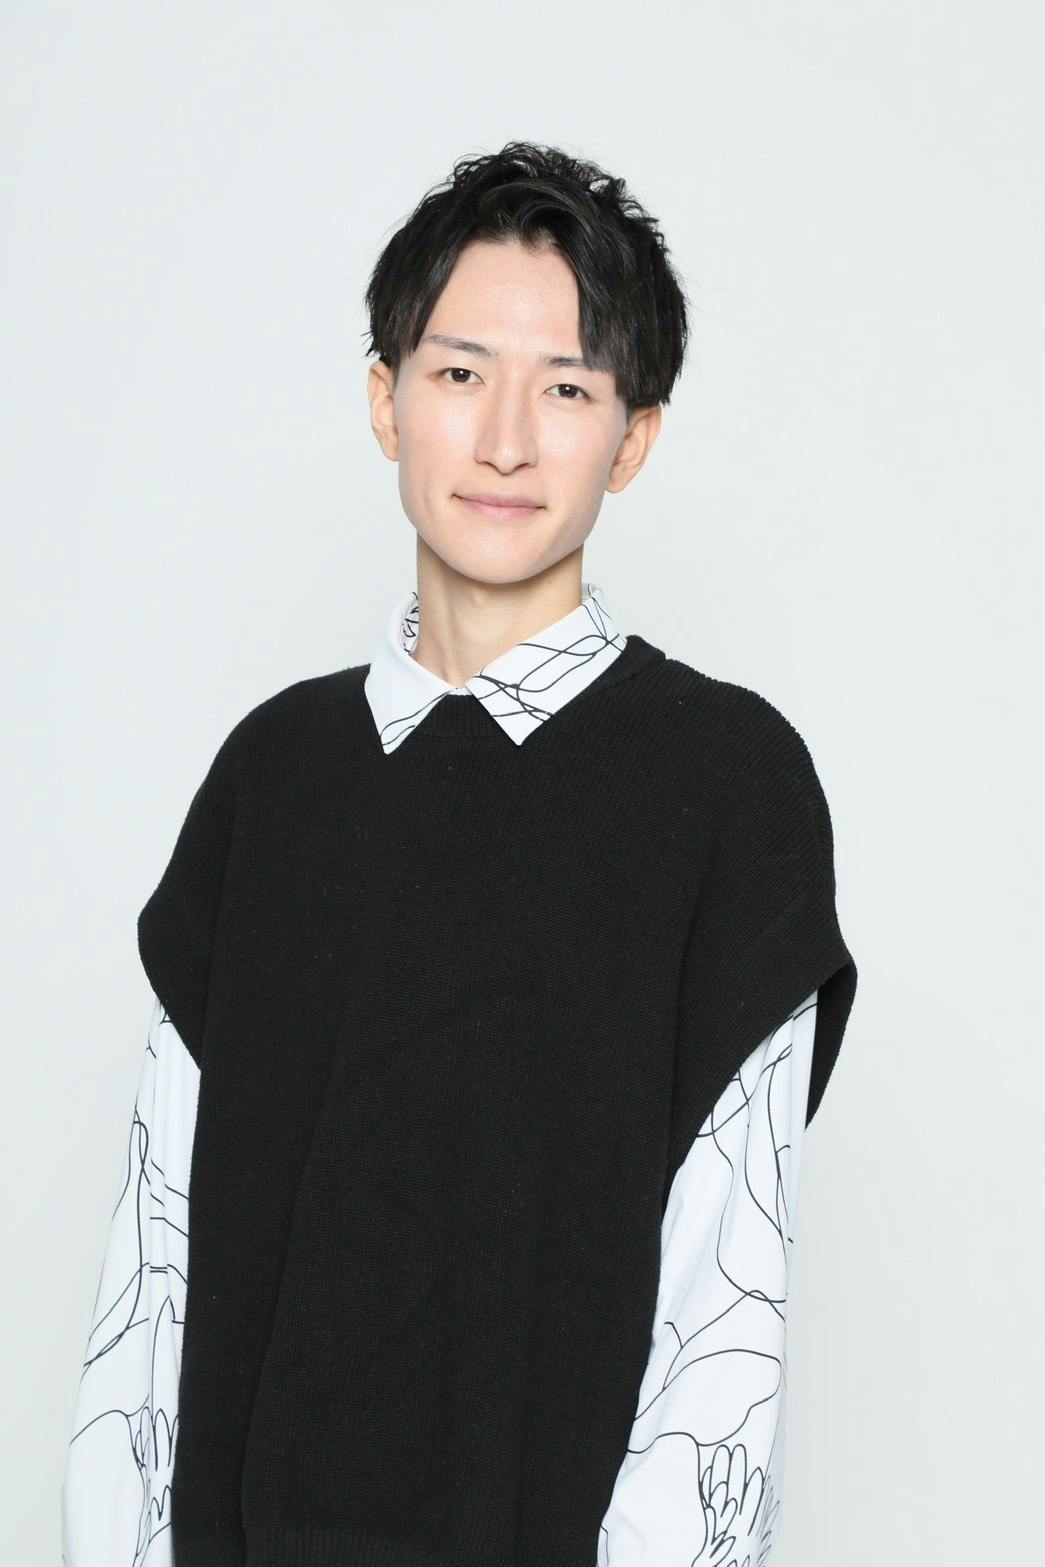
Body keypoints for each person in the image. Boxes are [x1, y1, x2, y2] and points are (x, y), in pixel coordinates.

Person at [61, 140, 857, 1567]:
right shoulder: (272, 775)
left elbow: (724, 1323)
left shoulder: (727, 789)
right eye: (458, 373)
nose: (504, 439)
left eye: (567, 389)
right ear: (386, 401)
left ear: (634, 437)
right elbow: (155, 1267)